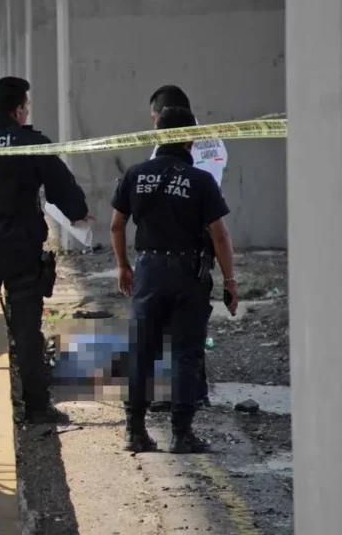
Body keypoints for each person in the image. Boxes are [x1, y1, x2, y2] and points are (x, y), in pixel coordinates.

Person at [0, 76, 90, 423]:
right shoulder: (30, 143)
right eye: (25, 107)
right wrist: (79, 213)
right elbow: (61, 187)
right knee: (27, 332)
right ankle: (37, 408)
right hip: (23, 251)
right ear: (18, 109)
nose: (26, 112)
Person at [110, 106, 238, 454]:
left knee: (142, 352)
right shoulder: (200, 181)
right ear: (190, 138)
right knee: (186, 352)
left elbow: (117, 224)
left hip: (148, 271)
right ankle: (182, 434)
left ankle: (135, 432)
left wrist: (123, 266)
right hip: (188, 274)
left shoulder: (136, 174)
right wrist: (229, 280)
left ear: (158, 135)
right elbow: (220, 236)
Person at [145, 85, 228, 412]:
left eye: (154, 119)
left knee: (170, 317)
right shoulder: (216, 141)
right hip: (204, 235)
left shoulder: (167, 146)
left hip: (175, 238)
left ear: (164, 116)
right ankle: (195, 389)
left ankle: (180, 393)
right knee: (192, 316)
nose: (152, 126)